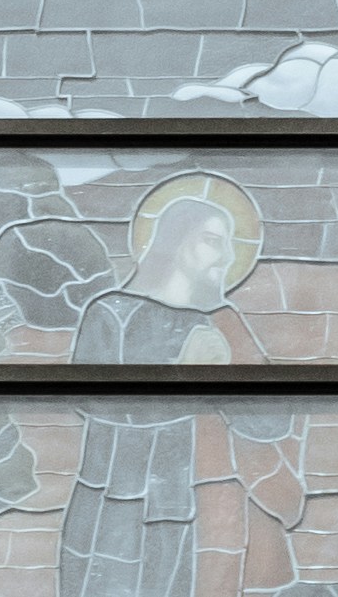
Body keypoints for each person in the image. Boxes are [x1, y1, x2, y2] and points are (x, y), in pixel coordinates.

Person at [56, 177, 264, 597]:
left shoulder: (216, 324)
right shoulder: (109, 313)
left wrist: (233, 367)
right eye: (211, 240)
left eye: (229, 245)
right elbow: (91, 401)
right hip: (105, 500)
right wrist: (189, 380)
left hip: (173, 506)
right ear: (173, 240)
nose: (224, 257)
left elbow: (265, 424)